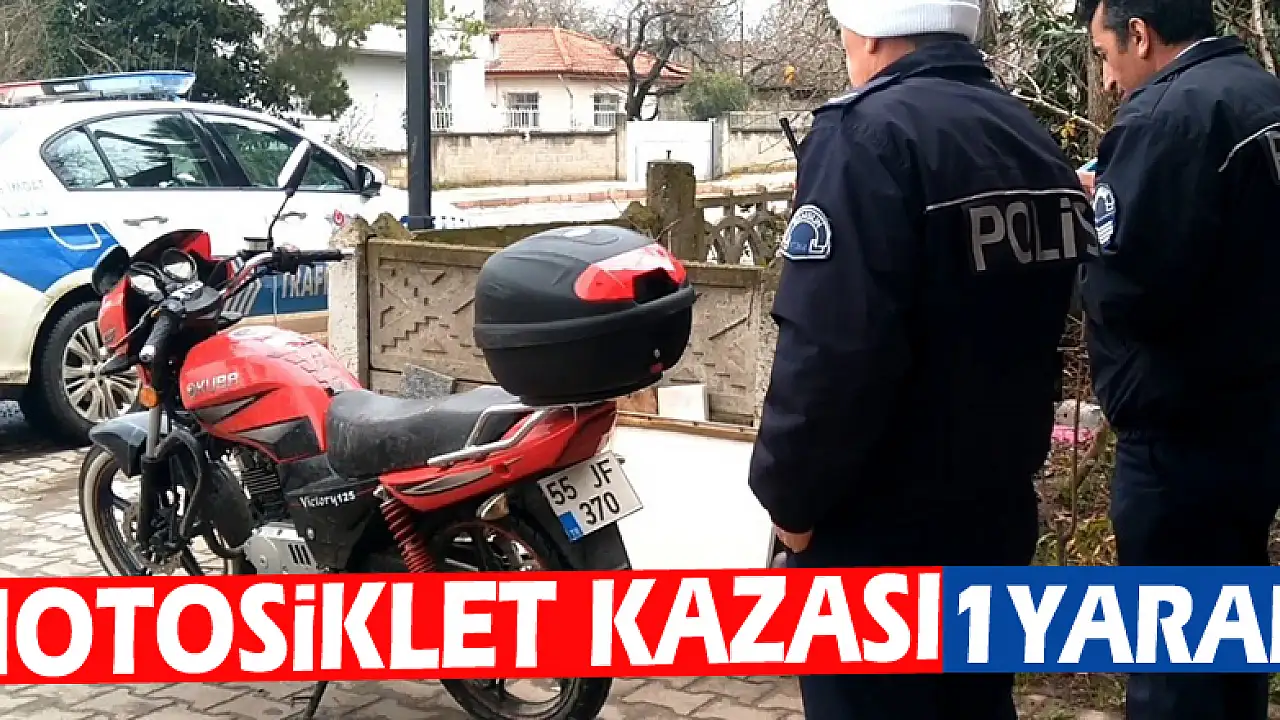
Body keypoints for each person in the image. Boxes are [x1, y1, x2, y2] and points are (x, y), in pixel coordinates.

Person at [746, 0, 1096, 717]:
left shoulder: (866, 137)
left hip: (879, 528)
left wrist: (791, 499)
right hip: (995, 507)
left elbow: (832, 347)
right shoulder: (1028, 137)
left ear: (872, 31)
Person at [1074, 2, 1280, 718]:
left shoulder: (1164, 118)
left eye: (1105, 56)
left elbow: (1129, 290)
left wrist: (1091, 231)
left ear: (1139, 34)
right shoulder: (1260, 95)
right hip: (1254, 412)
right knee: (1232, 642)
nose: (1107, 80)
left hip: (1179, 431)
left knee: (1171, 664)